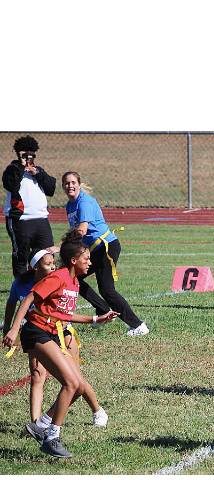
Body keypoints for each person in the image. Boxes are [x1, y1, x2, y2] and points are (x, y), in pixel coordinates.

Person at [2, 230, 119, 458]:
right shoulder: (59, 277)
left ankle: (42, 425)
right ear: (74, 261)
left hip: (52, 333)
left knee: (77, 386)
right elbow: (28, 299)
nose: (90, 262)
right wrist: (14, 328)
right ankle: (52, 437)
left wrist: (95, 319)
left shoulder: (74, 282)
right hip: (36, 332)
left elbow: (62, 314)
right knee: (70, 383)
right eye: (86, 259)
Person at [62, 171, 149, 336]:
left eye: (73, 182)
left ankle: (138, 326)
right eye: (67, 183)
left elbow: (81, 231)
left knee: (107, 290)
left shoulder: (84, 202)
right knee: (73, 277)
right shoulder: (70, 205)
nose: (70, 186)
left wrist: (61, 246)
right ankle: (103, 309)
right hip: (94, 249)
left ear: (79, 184)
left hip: (106, 246)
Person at [2, 135, 57, 277]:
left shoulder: (38, 170)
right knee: (22, 254)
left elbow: (51, 188)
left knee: (46, 254)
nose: (28, 157)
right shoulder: (12, 169)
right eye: (25, 154)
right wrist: (21, 166)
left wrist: (37, 173)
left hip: (41, 219)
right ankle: (21, 287)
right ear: (18, 153)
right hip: (20, 219)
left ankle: (45, 285)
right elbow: (10, 184)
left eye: (32, 154)